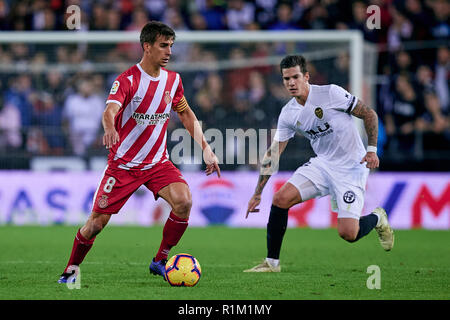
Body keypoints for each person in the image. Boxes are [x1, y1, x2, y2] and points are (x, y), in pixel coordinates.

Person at [58, 21, 220, 283]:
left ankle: (160, 260)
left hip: (158, 163)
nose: (169, 51)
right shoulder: (127, 80)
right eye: (163, 46)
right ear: (147, 46)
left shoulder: (173, 80)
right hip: (123, 165)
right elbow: (109, 110)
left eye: (171, 46)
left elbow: (186, 113)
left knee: (184, 201)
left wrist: (207, 149)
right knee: (95, 224)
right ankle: (70, 270)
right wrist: (110, 128)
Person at [244, 55, 394, 273]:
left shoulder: (331, 93)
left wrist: (372, 150)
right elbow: (274, 152)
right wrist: (258, 192)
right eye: (286, 79)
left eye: (295, 77)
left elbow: (368, 113)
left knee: (348, 234)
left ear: (306, 77)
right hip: (323, 165)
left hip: (352, 166)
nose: (291, 83)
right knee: (280, 199)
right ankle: (272, 263)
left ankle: (378, 217)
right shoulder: (288, 113)